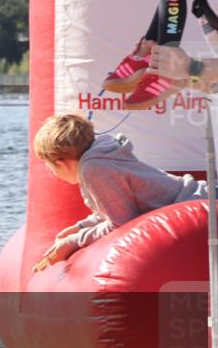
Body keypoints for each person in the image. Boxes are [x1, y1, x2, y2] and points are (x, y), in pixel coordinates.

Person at [32, 113, 208, 272]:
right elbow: (116, 209)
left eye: (49, 165)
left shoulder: (95, 168)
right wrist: (81, 227)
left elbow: (121, 223)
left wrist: (74, 241)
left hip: (199, 206)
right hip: (199, 197)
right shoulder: (98, 157)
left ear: (61, 163)